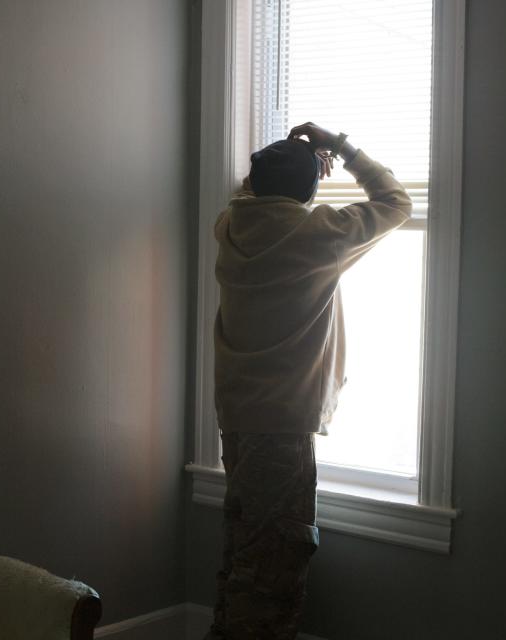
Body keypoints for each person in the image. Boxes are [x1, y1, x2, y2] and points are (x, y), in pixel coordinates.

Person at [207, 122, 412, 640]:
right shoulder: (319, 235)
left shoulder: (229, 227)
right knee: (274, 571)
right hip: (283, 428)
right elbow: (395, 201)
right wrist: (339, 146)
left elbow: (252, 194)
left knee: (244, 552)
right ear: (309, 191)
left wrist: (291, 164)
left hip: (236, 419)